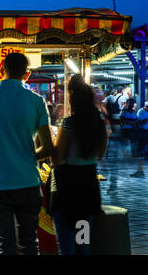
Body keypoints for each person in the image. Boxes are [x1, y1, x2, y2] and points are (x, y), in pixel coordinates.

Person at [0, 53, 54, 255]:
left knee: (3, 246)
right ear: (27, 74)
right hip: (28, 183)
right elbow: (48, 147)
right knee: (29, 244)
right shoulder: (36, 101)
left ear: (1, 71)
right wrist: (27, 158)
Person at [49, 74, 107, 255]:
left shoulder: (68, 124)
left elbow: (56, 159)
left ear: (73, 100)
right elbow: (100, 155)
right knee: (83, 243)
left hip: (67, 189)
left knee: (67, 245)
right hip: (88, 188)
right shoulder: (99, 124)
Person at [131, 101, 148, 177]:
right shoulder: (141, 112)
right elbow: (141, 122)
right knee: (145, 144)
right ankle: (144, 158)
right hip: (144, 132)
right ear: (146, 107)